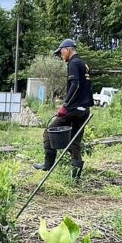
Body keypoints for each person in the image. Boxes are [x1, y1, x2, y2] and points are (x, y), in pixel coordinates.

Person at [34, 38, 93, 179]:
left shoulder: (73, 63)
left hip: (72, 111)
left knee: (49, 132)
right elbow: (88, 87)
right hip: (84, 110)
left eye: (61, 53)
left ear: (68, 49)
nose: (61, 56)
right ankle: (76, 177)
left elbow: (75, 85)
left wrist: (65, 105)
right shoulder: (83, 64)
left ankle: (47, 165)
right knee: (74, 142)